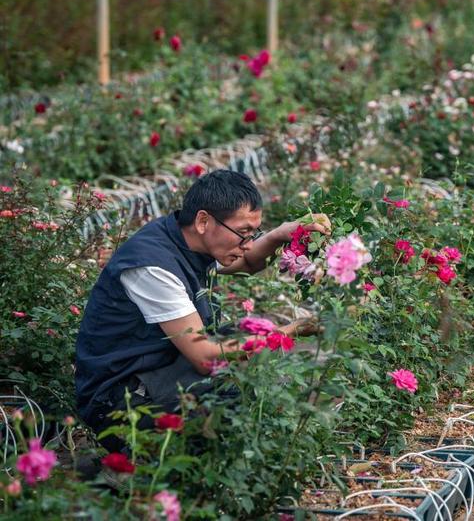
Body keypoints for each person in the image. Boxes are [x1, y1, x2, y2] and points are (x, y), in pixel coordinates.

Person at [75, 170, 330, 450]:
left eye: (252, 234)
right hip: (120, 401)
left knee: (245, 344)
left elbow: (248, 263)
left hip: (159, 369)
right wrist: (289, 330)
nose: (247, 244)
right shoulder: (153, 266)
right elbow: (206, 359)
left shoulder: (188, 240)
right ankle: (147, 461)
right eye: (243, 233)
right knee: (243, 382)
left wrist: (282, 234)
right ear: (203, 220)